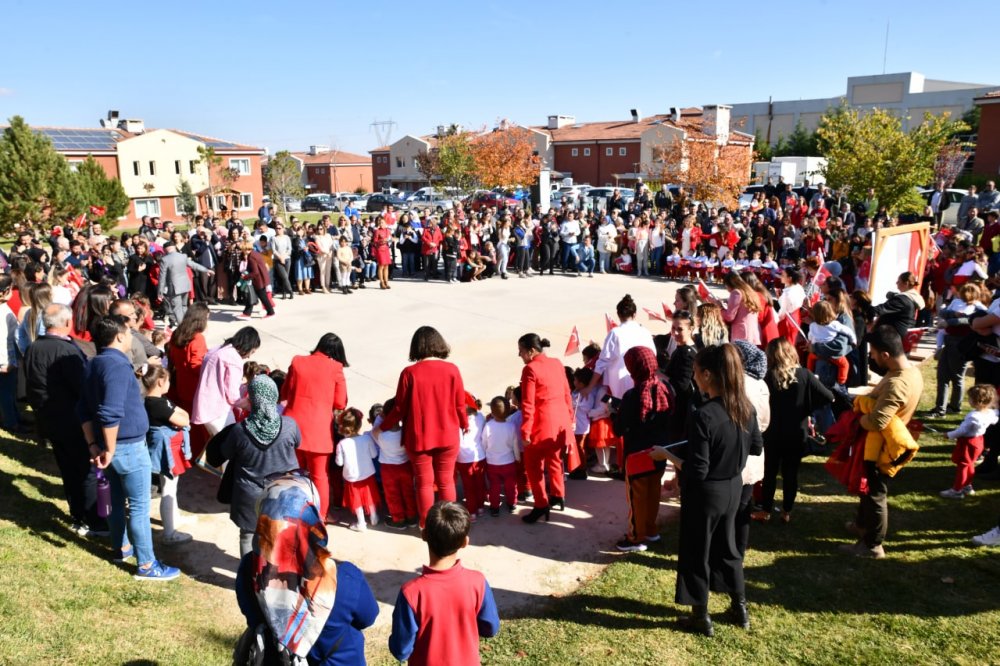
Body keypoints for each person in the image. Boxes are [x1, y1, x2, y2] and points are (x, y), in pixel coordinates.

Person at [235, 471, 379, 666]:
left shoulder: (249, 570)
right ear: (311, 519)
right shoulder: (343, 577)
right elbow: (368, 617)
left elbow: (252, 617)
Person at [80, 316, 180, 581]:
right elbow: (110, 412)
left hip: (106, 445)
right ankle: (147, 565)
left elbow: (84, 410)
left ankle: (122, 547)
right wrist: (110, 449)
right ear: (120, 336)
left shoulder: (94, 363)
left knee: (114, 501)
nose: (133, 337)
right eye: (129, 332)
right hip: (126, 447)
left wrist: (94, 445)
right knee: (138, 506)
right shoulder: (115, 367)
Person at [671, 344, 760, 636]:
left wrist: (669, 457)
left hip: (707, 493)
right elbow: (756, 447)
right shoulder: (745, 407)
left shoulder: (703, 415)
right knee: (729, 549)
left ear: (707, 374)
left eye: (696, 372)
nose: (694, 378)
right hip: (734, 487)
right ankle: (740, 607)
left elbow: (697, 469)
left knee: (698, 551)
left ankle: (700, 616)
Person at [22, 303, 106, 535]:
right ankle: (93, 521)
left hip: (49, 420)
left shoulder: (34, 347)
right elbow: (82, 389)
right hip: (73, 423)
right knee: (85, 472)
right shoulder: (66, 351)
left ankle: (77, 516)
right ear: (67, 323)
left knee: (68, 470)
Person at [842, 326, 923, 559]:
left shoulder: (897, 384)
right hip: (882, 443)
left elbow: (878, 421)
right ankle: (861, 524)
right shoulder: (910, 372)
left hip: (882, 448)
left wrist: (857, 418)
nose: (873, 357)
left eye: (874, 353)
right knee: (867, 490)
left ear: (886, 355)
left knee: (875, 494)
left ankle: (872, 545)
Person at [375, 326, 468, 528]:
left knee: (424, 483)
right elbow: (460, 404)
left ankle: (426, 525)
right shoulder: (452, 369)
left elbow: (400, 408)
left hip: (419, 437)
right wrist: (465, 424)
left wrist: (381, 427)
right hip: (448, 434)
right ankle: (451, 525)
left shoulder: (409, 373)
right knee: (446, 482)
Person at [389, 501, 500, 666]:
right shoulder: (478, 582)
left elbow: (401, 650)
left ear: (424, 535)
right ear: (465, 542)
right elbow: (491, 628)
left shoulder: (411, 593)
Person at [206, 375, 301, 556]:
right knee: (278, 536)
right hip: (281, 493)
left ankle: (247, 579)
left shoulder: (240, 431)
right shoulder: (289, 425)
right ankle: (271, 577)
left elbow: (224, 453)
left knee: (247, 537)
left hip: (248, 495)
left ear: (252, 399)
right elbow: (297, 443)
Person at [755, 338, 833, 523]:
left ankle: (766, 510)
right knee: (791, 473)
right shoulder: (804, 374)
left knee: (769, 473)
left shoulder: (767, 377)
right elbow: (829, 396)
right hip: (797, 432)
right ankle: (786, 512)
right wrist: (807, 409)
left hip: (772, 432)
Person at [281, 333, 349, 519]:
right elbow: (340, 403)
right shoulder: (336, 367)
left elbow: (285, 392)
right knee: (320, 477)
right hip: (318, 433)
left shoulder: (297, 361)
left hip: (292, 428)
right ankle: (320, 517)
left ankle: (293, 512)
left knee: (294, 476)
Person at [612, 346, 671, 552]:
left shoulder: (632, 395)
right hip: (660, 452)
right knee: (653, 493)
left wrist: (615, 412)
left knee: (636, 498)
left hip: (637, 455)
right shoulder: (665, 388)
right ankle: (651, 529)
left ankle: (635, 537)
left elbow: (619, 428)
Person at [517, 333, 574, 523]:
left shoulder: (530, 369)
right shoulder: (557, 363)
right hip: (559, 423)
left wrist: (525, 430)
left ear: (531, 351)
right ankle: (558, 495)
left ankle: (541, 504)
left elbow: (528, 404)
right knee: (555, 460)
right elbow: (567, 393)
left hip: (541, 425)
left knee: (534, 467)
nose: (520, 355)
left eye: (522, 351)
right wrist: (569, 418)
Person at [140, 365, 194, 545]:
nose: (170, 383)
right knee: (169, 489)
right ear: (160, 381)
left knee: (172, 486)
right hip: (167, 452)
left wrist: (181, 414)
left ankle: (174, 519)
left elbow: (183, 414)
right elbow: (184, 418)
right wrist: (181, 415)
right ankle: (169, 533)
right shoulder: (157, 404)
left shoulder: (157, 401)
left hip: (171, 449)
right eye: (168, 380)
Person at [192, 327, 260, 437]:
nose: (249, 356)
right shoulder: (234, 359)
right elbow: (233, 395)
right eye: (251, 351)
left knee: (215, 442)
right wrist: (249, 404)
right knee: (230, 441)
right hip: (218, 411)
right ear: (248, 346)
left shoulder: (217, 349)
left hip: (204, 405)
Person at [940, 384, 998, 499]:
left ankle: (957, 490)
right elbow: (995, 419)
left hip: (968, 443)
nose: (969, 400)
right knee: (970, 463)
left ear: (978, 401)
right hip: (979, 441)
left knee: (962, 466)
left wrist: (948, 435)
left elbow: (962, 430)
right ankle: (967, 485)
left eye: (970, 398)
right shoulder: (991, 413)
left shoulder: (973, 416)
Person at [372, 397, 418, 529]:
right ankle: (412, 516)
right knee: (408, 492)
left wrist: (381, 417)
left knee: (393, 495)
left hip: (388, 468)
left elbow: (375, 428)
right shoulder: (406, 432)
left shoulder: (380, 435)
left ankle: (398, 519)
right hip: (405, 465)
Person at [158, 241, 213, 327]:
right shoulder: (183, 256)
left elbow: (162, 277)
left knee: (177, 308)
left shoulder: (164, 260)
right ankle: (186, 324)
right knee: (184, 306)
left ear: (165, 250)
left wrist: (160, 292)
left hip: (174, 287)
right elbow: (194, 265)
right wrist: (206, 270)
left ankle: (183, 327)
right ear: (174, 247)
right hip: (185, 285)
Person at [482, 396, 520, 516]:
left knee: (494, 485)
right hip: (509, 461)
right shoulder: (511, 426)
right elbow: (515, 445)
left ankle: (494, 507)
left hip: (492, 463)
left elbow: (484, 444)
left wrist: (485, 456)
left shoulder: (488, 426)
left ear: (492, 412)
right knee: (511, 484)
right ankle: (512, 503)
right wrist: (518, 458)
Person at [456, 396, 487, 517]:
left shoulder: (457, 420)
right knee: (480, 484)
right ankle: (480, 507)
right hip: (479, 456)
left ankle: (472, 511)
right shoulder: (480, 417)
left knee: (468, 487)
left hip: (463, 458)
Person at [237, 241, 275, 320]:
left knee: (260, 297)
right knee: (255, 296)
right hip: (262, 279)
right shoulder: (255, 253)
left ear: (245, 249)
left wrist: (246, 276)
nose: (241, 251)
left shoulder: (251, 257)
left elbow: (255, 272)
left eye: (242, 250)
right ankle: (247, 313)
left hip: (258, 280)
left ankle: (271, 312)